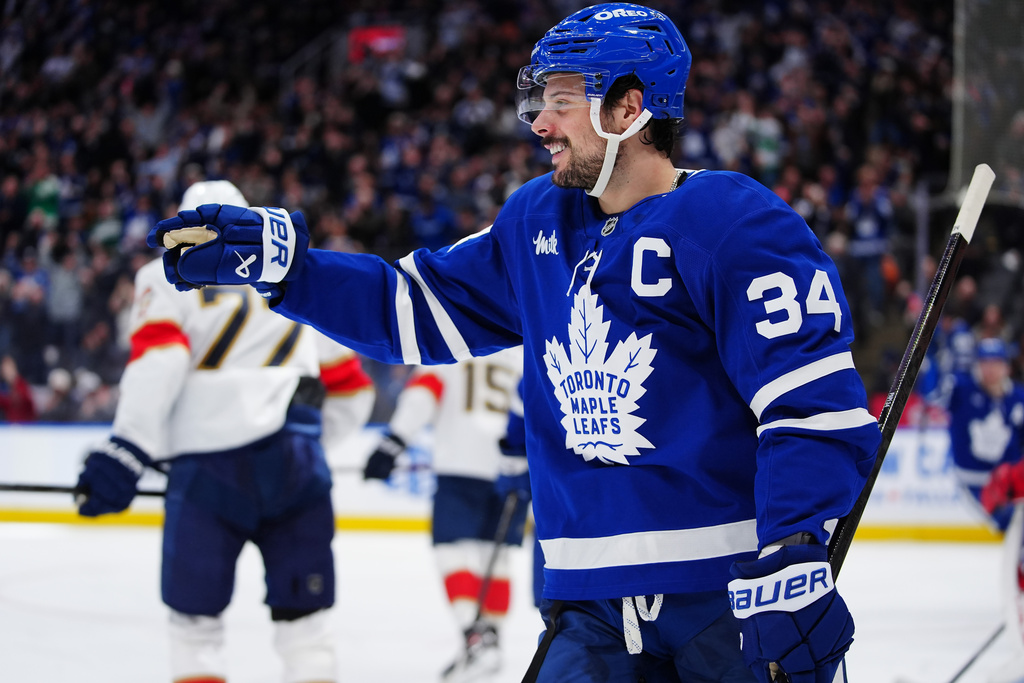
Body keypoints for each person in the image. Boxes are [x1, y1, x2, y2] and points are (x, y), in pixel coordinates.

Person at [149, 5, 881, 681]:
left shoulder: (734, 221)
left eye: (563, 100)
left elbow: (810, 404)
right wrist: (290, 270)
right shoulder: (537, 221)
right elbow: (411, 308)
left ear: (631, 107)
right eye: (541, 100)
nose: (540, 122)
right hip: (586, 613)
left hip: (722, 603)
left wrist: (790, 551)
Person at [76, 180, 375, 683]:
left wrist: (129, 446)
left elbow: (160, 364)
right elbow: (353, 387)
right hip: (296, 466)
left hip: (208, 470)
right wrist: (311, 445)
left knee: (195, 629)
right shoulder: (288, 271)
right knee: (306, 632)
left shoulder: (161, 275)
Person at [362, 347, 530, 682]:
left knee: (451, 548)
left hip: (460, 462)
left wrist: (394, 442)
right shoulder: (522, 353)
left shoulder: (455, 346)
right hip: (510, 464)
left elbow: (424, 393)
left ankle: (474, 636)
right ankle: (489, 643)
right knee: (495, 557)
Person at [940, 336, 1024, 532]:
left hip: (1013, 478)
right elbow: (933, 394)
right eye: (985, 362)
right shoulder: (962, 390)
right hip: (977, 482)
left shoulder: (1018, 397)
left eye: (996, 362)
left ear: (1006, 367)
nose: (990, 369)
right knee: (1011, 523)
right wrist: (946, 362)